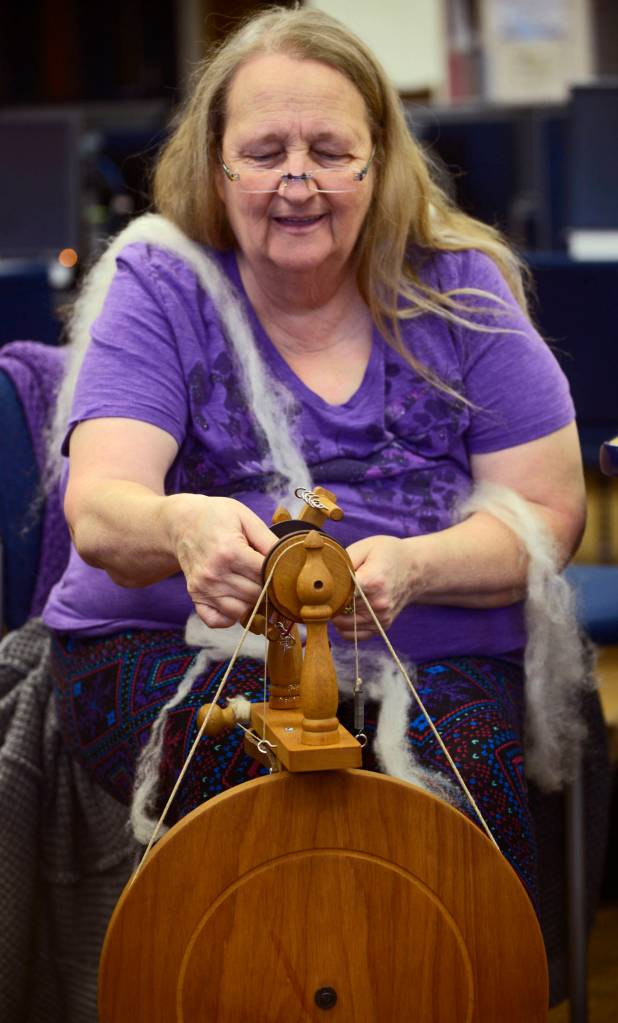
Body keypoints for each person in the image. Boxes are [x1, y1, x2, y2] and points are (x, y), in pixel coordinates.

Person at [43, 6, 586, 906]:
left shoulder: (459, 290)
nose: (297, 180)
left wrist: (415, 566)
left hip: (430, 642)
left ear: (378, 162)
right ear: (217, 167)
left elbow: (549, 515)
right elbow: (100, 507)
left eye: (330, 151)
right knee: (246, 810)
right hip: (162, 638)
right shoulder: (161, 282)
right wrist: (181, 524)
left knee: (462, 809)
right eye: (264, 152)